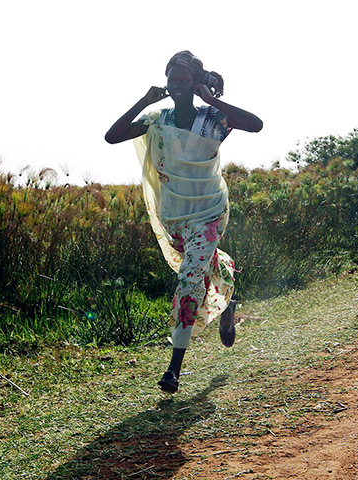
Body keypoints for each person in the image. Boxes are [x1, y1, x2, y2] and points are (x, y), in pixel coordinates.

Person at [105, 51, 263, 393]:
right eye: (172, 79)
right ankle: (227, 298)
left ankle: (174, 368)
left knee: (189, 277)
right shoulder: (158, 117)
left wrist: (211, 98)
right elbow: (112, 136)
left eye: (184, 80)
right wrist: (143, 101)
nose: (176, 85)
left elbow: (256, 124)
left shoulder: (214, 119)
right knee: (199, 266)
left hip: (209, 211)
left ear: (196, 83)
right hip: (174, 213)